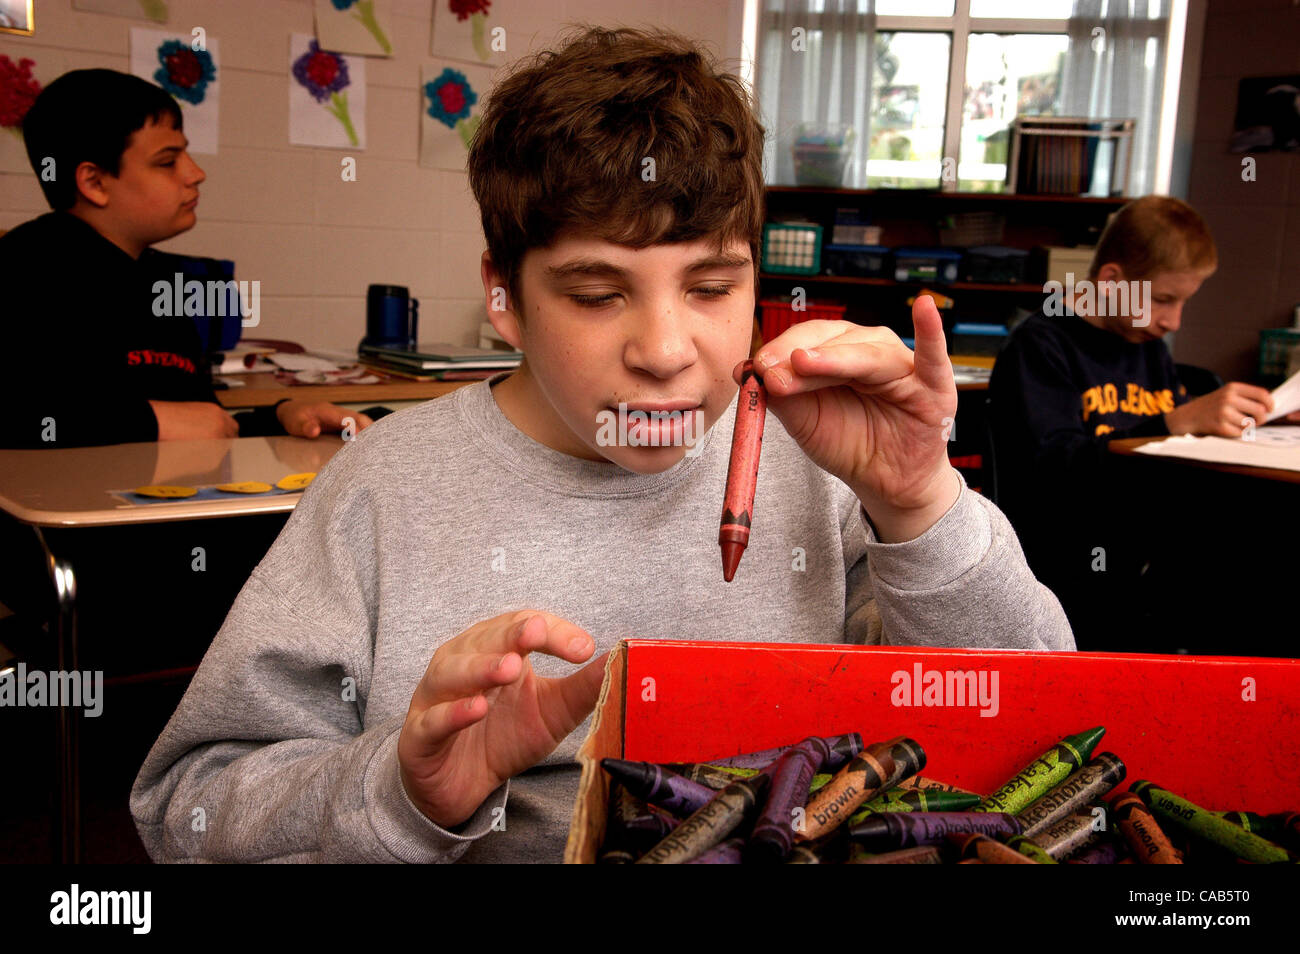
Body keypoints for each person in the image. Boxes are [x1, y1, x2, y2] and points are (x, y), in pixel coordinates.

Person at [131, 26, 1073, 864]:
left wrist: (920, 505)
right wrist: (402, 793)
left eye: (711, 288)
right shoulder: (384, 488)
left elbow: (1040, 742)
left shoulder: (822, 470)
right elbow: (187, 810)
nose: (665, 352)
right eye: (595, 293)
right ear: (503, 298)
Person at [989, 195, 1299, 650]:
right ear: (1112, 281)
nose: (1172, 321)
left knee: (1270, 545)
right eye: (1163, 300)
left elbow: (1172, 438)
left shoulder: (1145, 343)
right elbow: (1051, 469)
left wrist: (1260, 418)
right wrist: (1177, 420)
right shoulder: (1041, 346)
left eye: (1183, 302)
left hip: (1149, 539)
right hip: (1073, 558)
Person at [0, 69, 370, 448]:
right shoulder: (21, 270)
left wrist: (283, 414)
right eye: (167, 161)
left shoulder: (162, 277)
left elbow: (204, 421)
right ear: (94, 182)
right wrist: (150, 422)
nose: (196, 173)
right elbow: (23, 419)